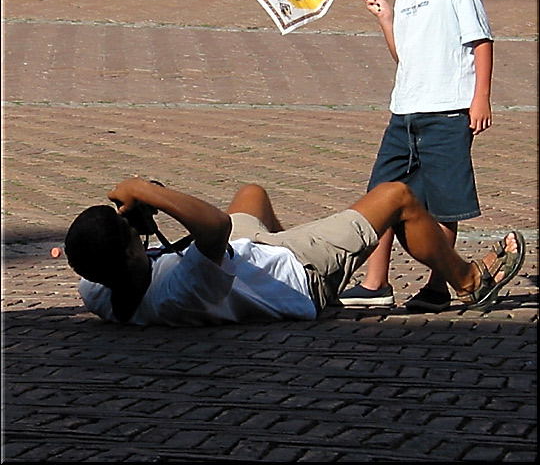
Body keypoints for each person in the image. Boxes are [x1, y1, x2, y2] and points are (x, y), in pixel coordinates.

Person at [64, 175, 525, 326]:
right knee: (397, 195)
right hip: (298, 277)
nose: (140, 236)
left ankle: (307, 238)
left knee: (252, 193)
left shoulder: (100, 290)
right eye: (133, 238)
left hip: (248, 254)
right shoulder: (178, 293)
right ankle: (468, 282)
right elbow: (214, 228)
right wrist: (145, 189)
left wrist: (131, 225)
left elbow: (95, 255)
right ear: (127, 256)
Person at [343, 0, 494, 313]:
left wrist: (480, 96)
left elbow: (480, 40)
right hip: (405, 111)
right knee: (381, 196)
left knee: (444, 204)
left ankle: (438, 286)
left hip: (447, 111)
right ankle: (375, 284)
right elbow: (405, 58)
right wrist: (387, 19)